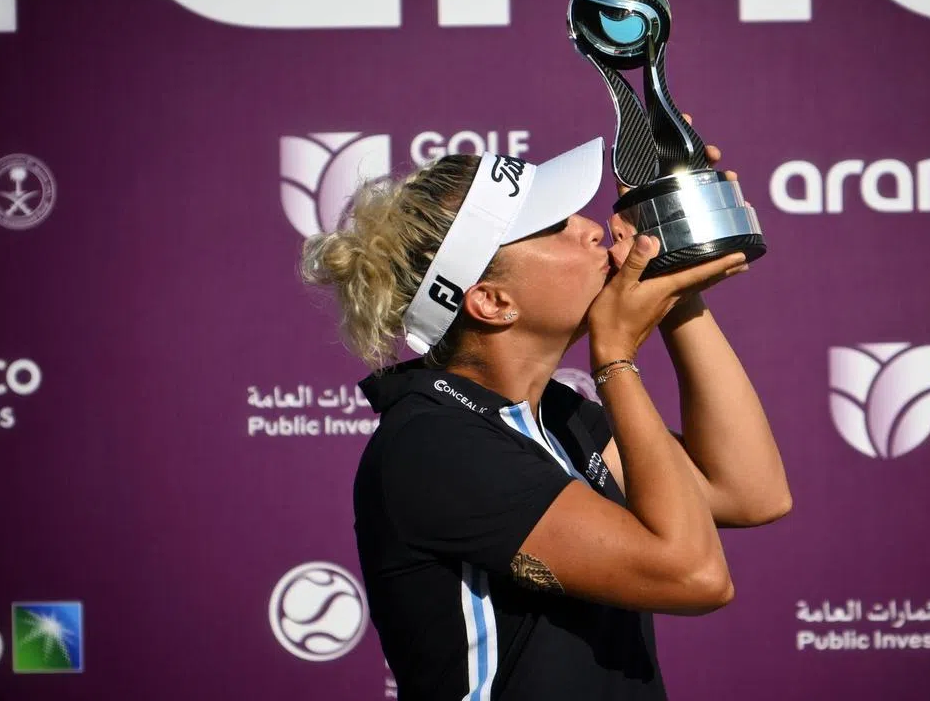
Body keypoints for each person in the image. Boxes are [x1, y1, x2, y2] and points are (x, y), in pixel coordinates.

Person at [300, 130, 791, 700]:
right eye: (556, 226)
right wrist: (614, 359)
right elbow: (695, 575)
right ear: (492, 302)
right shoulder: (436, 444)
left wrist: (676, 285)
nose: (591, 228)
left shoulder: (553, 413)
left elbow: (751, 493)